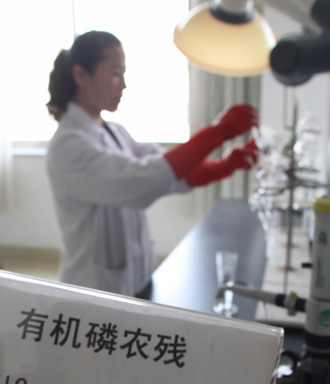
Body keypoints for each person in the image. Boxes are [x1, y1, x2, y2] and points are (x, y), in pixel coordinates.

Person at [46, 30, 259, 298]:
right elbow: (140, 182)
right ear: (80, 76)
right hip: (94, 292)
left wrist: (224, 165)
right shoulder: (68, 146)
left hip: (135, 281)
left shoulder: (115, 132)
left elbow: (169, 172)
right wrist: (217, 132)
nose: (123, 85)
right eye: (115, 72)